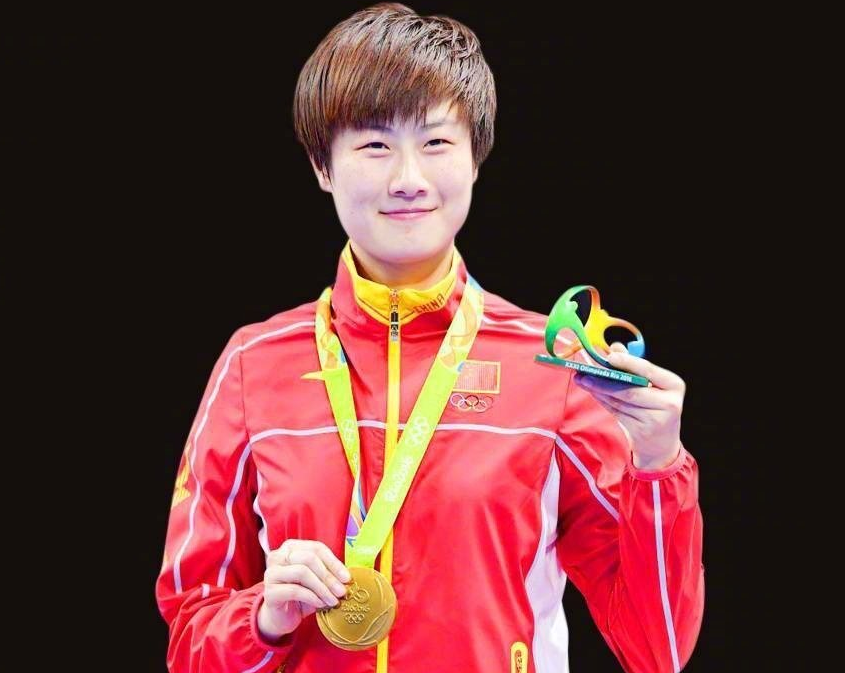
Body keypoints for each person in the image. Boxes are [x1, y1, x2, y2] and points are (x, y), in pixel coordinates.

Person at [155, 3, 704, 672]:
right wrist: (263, 618)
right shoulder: (253, 365)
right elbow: (189, 638)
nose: (408, 179)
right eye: (375, 145)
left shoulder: (552, 369)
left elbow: (656, 648)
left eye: (437, 142)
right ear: (323, 167)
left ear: (474, 159)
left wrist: (658, 464)